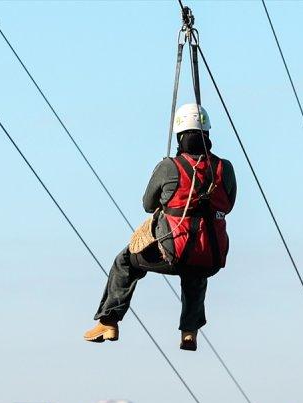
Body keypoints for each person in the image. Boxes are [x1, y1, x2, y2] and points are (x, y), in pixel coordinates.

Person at [83, 103, 236, 350]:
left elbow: (147, 204)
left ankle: (109, 320)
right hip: (212, 253)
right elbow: (228, 204)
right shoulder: (224, 168)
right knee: (196, 271)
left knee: (125, 261)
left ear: (179, 136)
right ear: (207, 134)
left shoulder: (169, 167)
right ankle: (189, 331)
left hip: (172, 250)